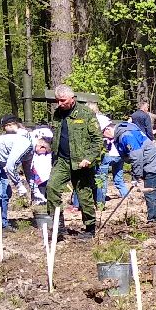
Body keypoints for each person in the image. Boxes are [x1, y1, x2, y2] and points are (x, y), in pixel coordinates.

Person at [45, 85, 103, 237]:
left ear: (72, 98)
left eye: (63, 100)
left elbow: (98, 140)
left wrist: (89, 158)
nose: (59, 104)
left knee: (84, 195)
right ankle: (58, 225)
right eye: (57, 101)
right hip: (62, 161)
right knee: (51, 188)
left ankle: (90, 229)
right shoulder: (57, 114)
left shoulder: (86, 113)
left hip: (81, 162)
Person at [114, 120, 156, 222]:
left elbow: (137, 156)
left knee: (150, 193)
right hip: (151, 164)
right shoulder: (125, 133)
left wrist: (136, 177)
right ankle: (154, 217)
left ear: (110, 129)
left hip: (154, 165)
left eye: (104, 131)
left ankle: (153, 220)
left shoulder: (126, 135)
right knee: (152, 193)